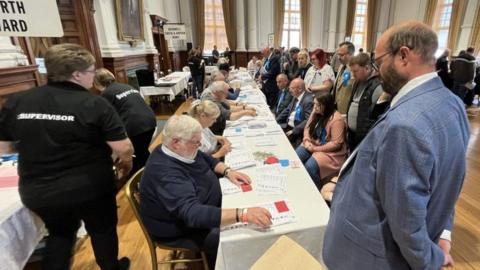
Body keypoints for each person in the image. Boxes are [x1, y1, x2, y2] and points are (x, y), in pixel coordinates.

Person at [323, 21, 470, 269]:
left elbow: (407, 224)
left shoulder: (405, 124)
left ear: (403, 55)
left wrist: (433, 258)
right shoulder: (453, 103)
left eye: (379, 62)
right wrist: (444, 232)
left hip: (368, 256)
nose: (377, 71)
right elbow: (448, 180)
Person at [0, 44, 133, 270]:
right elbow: (123, 147)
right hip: (89, 186)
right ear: (77, 74)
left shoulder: (18, 101)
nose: (93, 76)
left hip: (39, 188)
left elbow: (4, 148)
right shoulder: (95, 103)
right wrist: (126, 163)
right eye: (92, 71)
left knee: (60, 232)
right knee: (102, 230)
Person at [140, 115, 272, 269]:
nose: (200, 145)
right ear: (175, 142)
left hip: (203, 208)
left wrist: (227, 171)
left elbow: (207, 159)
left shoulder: (181, 150)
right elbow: (193, 214)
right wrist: (242, 214)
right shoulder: (165, 173)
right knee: (235, 237)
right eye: (196, 142)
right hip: (180, 228)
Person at [94, 68, 157, 175]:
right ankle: (147, 173)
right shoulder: (126, 86)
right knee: (141, 152)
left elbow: (104, 117)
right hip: (150, 121)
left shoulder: (106, 94)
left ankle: (143, 177)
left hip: (136, 126)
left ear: (97, 83)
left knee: (137, 154)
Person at [295, 93, 347, 189]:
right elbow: (307, 128)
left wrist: (315, 149)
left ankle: (315, 190)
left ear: (327, 105)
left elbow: (336, 144)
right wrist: (306, 140)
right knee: (296, 157)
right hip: (313, 143)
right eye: (314, 104)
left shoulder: (337, 120)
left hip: (331, 152)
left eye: (318, 105)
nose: (315, 107)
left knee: (310, 166)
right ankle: (298, 184)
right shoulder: (316, 112)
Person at [346, 53, 387, 151]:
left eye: (355, 71)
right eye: (351, 71)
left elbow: (378, 117)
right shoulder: (357, 81)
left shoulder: (377, 87)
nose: (353, 74)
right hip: (353, 134)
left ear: (367, 68)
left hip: (364, 138)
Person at [276, 78, 314, 146]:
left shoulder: (308, 101)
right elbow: (287, 110)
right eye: (290, 88)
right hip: (287, 126)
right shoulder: (295, 96)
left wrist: (294, 131)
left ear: (299, 89)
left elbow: (308, 120)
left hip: (297, 132)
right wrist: (276, 120)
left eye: (292, 88)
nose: (290, 90)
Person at [333, 41, 355, 114]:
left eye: (341, 55)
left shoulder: (355, 69)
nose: (338, 58)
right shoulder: (341, 66)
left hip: (347, 110)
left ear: (350, 54)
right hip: (336, 106)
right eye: (338, 55)